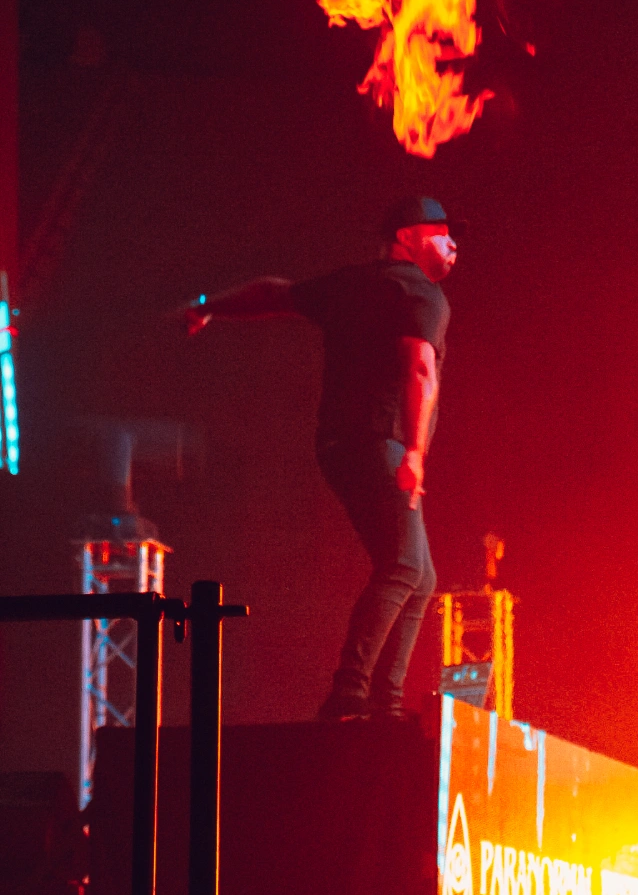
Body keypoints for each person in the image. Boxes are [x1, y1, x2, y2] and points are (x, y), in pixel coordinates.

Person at [186, 194, 460, 722]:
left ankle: (384, 702)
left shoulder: (352, 283)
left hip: (340, 445)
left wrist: (208, 306)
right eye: (442, 232)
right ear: (406, 237)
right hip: (382, 443)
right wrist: (415, 452)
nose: (453, 244)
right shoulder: (419, 292)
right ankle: (350, 694)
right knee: (405, 566)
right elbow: (419, 368)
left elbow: (274, 293)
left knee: (418, 575)